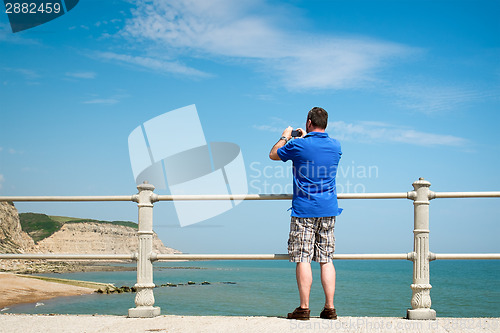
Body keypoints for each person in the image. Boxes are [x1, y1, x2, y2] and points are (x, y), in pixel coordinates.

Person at [269, 107, 342, 320]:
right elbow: (318, 152)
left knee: (303, 258)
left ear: (309, 122)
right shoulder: (336, 145)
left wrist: (286, 136)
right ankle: (330, 308)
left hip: (304, 210)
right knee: (326, 258)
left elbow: (273, 154)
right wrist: (306, 137)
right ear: (325, 123)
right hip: (328, 208)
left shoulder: (298, 144)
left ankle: (304, 308)